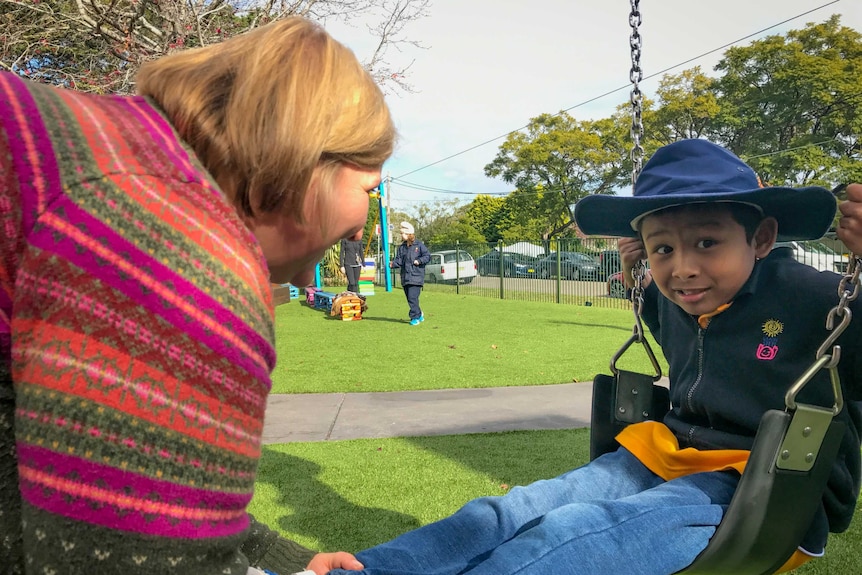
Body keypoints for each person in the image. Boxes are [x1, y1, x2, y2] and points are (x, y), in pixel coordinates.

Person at [305, 140, 862, 575]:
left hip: (764, 485)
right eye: (663, 247)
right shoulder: (669, 298)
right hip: (663, 454)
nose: (683, 268)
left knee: (582, 534)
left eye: (707, 243)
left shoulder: (815, 297)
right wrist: (638, 271)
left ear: (762, 238)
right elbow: (671, 308)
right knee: (512, 510)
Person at [0, 15, 393, 575]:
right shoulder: (169, 238)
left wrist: (274, 557)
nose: (362, 230)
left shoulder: (114, 156)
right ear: (305, 158)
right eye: (369, 189)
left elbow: (79, 470)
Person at [390, 222, 430, 325]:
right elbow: (399, 261)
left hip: (416, 277)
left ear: (409, 234)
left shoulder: (419, 245)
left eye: (403, 233)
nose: (401, 235)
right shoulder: (402, 248)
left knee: (413, 298)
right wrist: (393, 264)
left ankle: (415, 318)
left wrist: (419, 261)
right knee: (410, 299)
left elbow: (427, 256)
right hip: (405, 277)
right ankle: (419, 313)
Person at [340, 229, 366, 294]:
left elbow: (361, 252)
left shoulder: (359, 240)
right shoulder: (344, 239)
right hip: (348, 264)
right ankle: (350, 295)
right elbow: (342, 253)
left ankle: (354, 298)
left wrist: (363, 264)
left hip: (357, 264)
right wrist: (341, 265)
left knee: (356, 283)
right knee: (352, 283)